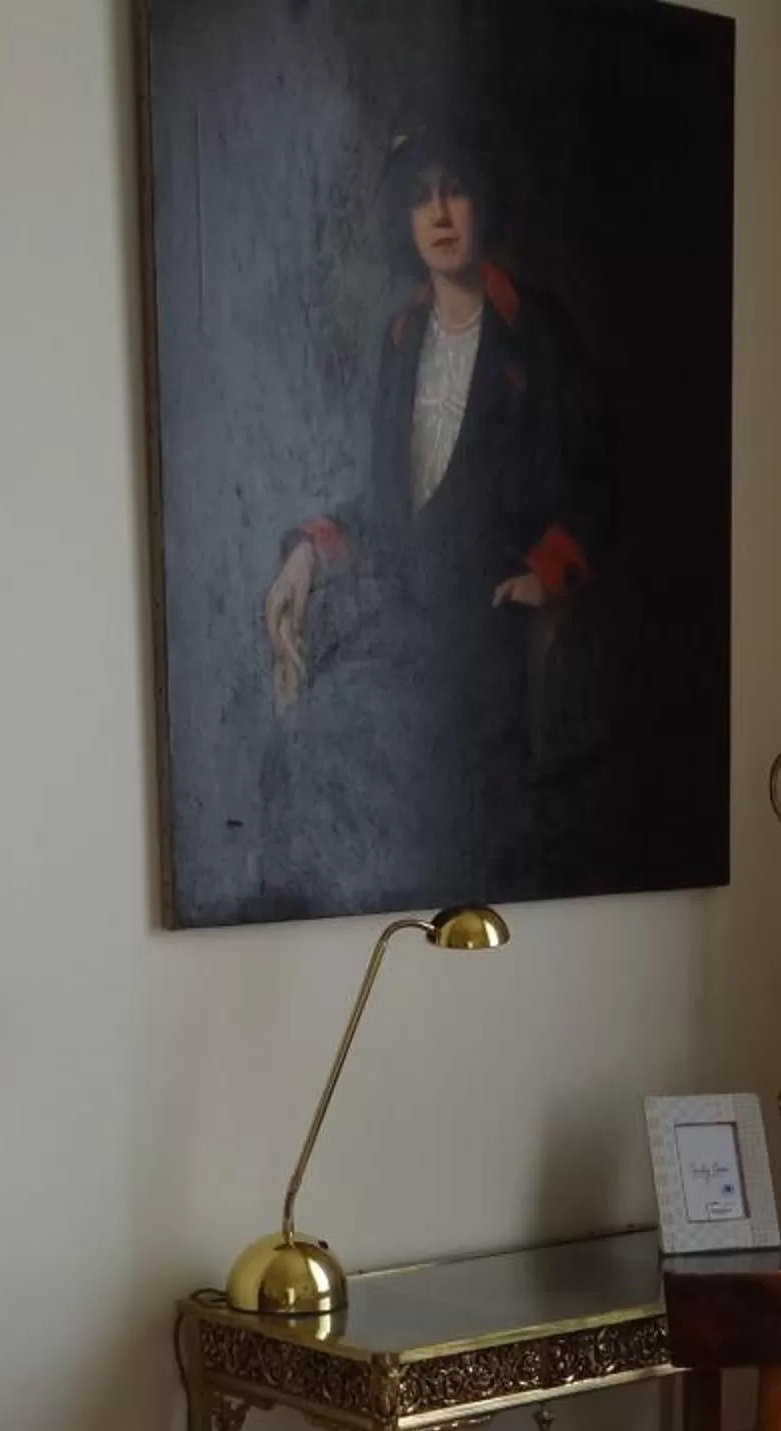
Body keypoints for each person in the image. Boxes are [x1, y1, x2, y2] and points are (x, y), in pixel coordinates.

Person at [256, 119, 616, 901]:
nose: (441, 213)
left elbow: (599, 478)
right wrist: (306, 554)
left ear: (484, 201)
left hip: (489, 637)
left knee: (376, 769)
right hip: (404, 628)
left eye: (455, 190)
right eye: (421, 197)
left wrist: (546, 575)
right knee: (301, 745)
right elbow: (390, 506)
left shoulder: (537, 332)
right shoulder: (403, 337)